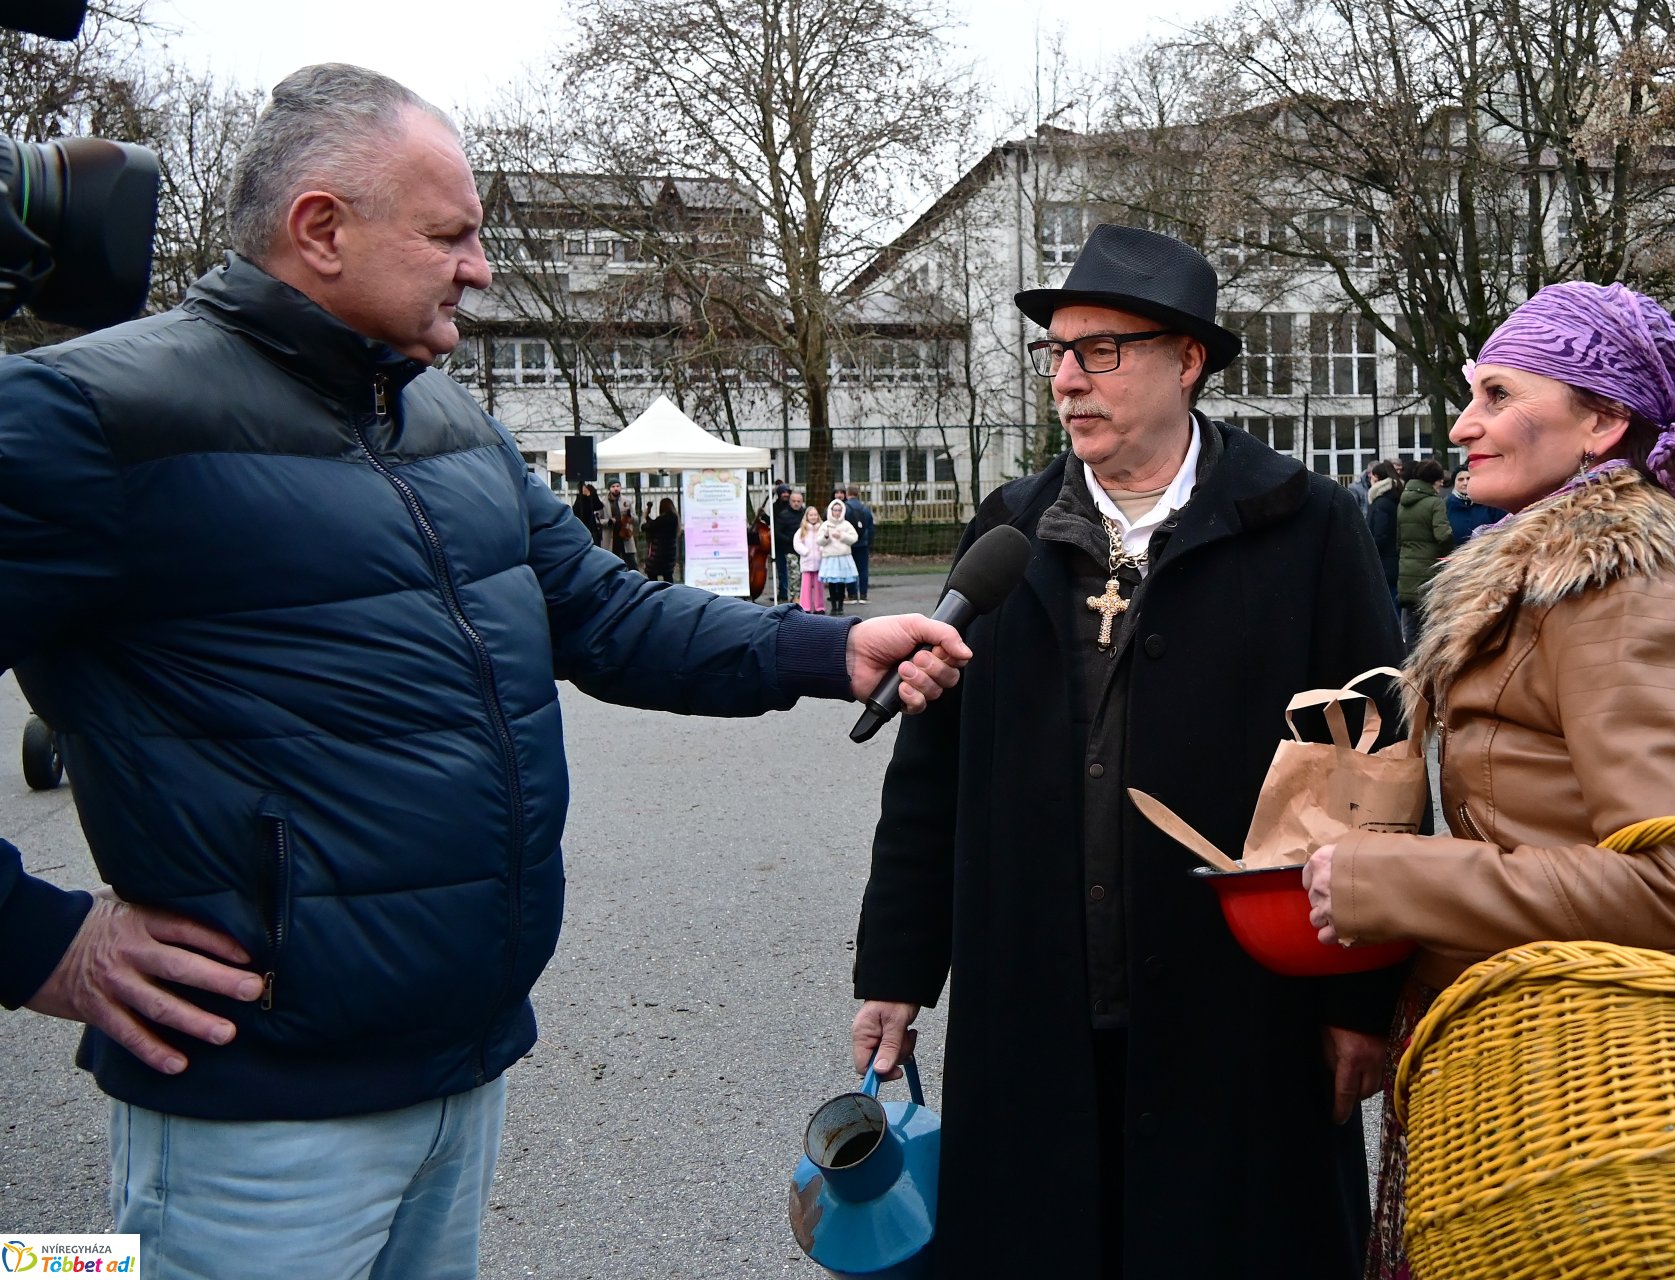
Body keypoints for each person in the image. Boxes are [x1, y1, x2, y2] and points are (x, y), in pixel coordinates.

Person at [0, 63, 968, 1277]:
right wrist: (39, 940)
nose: (481, 266)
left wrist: (825, 645)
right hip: (258, 1117)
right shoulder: (89, 419)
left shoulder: (451, 421)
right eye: (451, 234)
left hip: (463, 1075)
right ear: (321, 228)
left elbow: (606, 614)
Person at [850, 223, 1407, 1279]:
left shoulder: (1304, 523)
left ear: (1188, 360)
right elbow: (932, 774)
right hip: (1036, 1000)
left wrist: (1355, 1004)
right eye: (1057, 352)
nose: (1067, 378)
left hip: (1239, 1012)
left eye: (1101, 350)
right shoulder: (1011, 527)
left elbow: (1376, 777)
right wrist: (896, 970)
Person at [1298, 280, 1675, 1280]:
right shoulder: (1556, 582)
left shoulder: (1625, 600)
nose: (1466, 423)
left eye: (1502, 394)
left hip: (1570, 1077)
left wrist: (1391, 879)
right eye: (1474, 394)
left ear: (1602, 422)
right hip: (1515, 1048)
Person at [1395, 459, 1455, 647]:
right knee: (1431, 626)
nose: (1440, 485)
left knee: (1411, 626)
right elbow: (1443, 535)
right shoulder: (1435, 503)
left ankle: (1409, 668)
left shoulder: (1403, 503)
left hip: (1407, 570)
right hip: (1429, 571)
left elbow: (1399, 539)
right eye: (1439, 481)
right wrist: (1450, 553)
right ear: (1434, 480)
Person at [1365, 460, 1402, 615]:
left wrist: (1368, 549)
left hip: (1384, 561)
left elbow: (1380, 534)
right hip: (1394, 559)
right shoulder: (1394, 498)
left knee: (1388, 606)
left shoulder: (1380, 504)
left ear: (1377, 478)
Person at [819, 497, 861, 616]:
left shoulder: (846, 524)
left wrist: (842, 536)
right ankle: (833, 606)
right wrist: (826, 537)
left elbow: (854, 538)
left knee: (842, 584)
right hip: (830, 557)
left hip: (843, 557)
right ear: (830, 511)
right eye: (834, 510)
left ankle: (841, 606)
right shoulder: (826, 525)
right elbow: (819, 541)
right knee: (832, 584)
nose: (836, 513)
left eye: (839, 510)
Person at [1444, 462, 1504, 544]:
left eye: (1468, 478)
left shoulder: (1489, 502)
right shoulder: (1447, 504)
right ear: (1454, 483)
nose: (1465, 483)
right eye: (1460, 479)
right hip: (1454, 553)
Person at [772, 484, 804, 602]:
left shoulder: (805, 514)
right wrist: (792, 540)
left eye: (798, 501)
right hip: (789, 550)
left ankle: (803, 596)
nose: (796, 503)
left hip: (805, 551)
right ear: (790, 502)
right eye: (794, 501)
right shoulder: (783, 515)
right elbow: (777, 533)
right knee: (793, 575)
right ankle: (794, 597)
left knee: (803, 576)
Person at [845, 484, 877, 604]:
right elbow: (871, 528)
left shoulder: (845, 508)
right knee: (863, 570)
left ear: (848, 494)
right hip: (863, 543)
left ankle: (852, 594)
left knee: (850, 569)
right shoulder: (865, 509)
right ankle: (863, 595)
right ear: (858, 494)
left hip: (849, 544)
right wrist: (869, 542)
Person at [794, 504, 827, 614]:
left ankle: (819, 607)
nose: (813, 517)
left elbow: (826, 541)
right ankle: (805, 607)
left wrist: (822, 550)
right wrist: (805, 551)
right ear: (807, 516)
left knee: (819, 587)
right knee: (806, 587)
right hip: (807, 562)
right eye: (811, 515)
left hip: (819, 562)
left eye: (815, 515)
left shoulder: (822, 529)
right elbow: (797, 543)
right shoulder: (802, 530)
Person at [641, 495, 679, 583]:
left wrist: (644, 517)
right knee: (668, 576)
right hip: (670, 555)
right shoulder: (674, 518)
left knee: (652, 575)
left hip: (658, 555)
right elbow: (655, 525)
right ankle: (670, 594)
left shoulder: (661, 519)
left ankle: (655, 594)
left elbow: (646, 527)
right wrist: (648, 517)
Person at [605, 480, 637, 570]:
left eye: (618, 486)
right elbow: (598, 519)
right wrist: (609, 521)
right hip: (611, 537)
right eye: (613, 486)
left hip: (625, 536)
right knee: (612, 563)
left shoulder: (627, 501)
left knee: (631, 562)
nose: (616, 488)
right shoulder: (604, 502)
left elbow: (635, 519)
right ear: (609, 488)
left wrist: (629, 515)